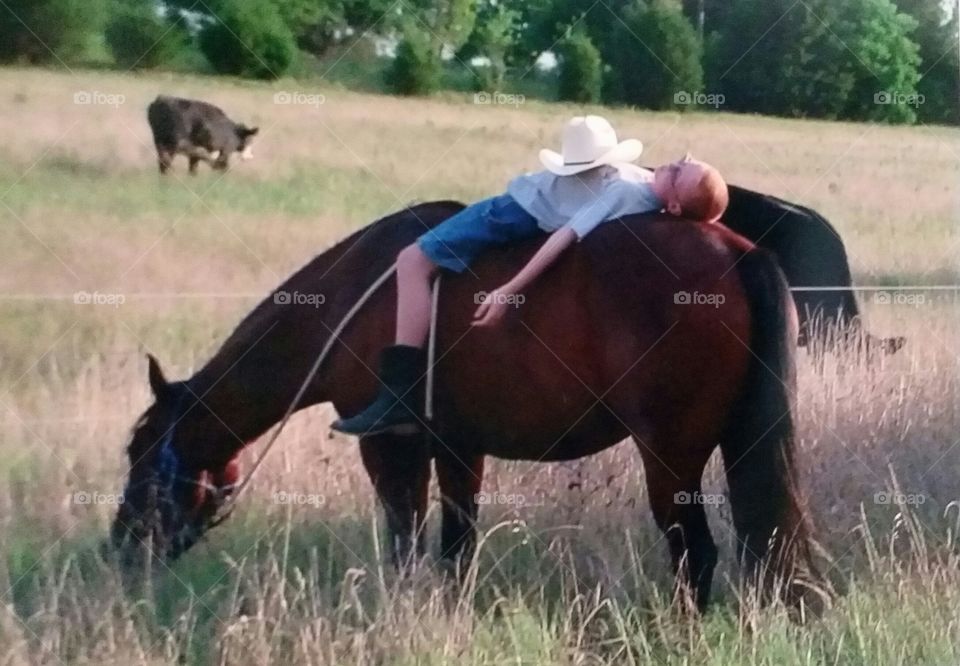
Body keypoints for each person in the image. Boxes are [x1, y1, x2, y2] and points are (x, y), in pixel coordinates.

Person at [332, 115, 728, 436]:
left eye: (678, 173)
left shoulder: (626, 193)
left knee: (412, 260)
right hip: (547, 200)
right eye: (681, 160)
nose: (672, 163)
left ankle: (398, 394)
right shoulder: (649, 194)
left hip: (514, 210)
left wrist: (508, 289)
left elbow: (564, 236)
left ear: (674, 206)